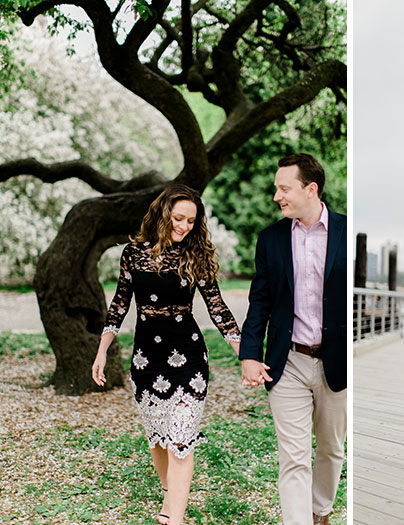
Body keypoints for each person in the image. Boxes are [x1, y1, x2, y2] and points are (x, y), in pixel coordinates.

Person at [91, 184, 241, 525]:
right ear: (163, 214)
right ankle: (169, 493)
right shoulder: (132, 254)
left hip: (188, 359)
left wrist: (242, 351)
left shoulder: (196, 255)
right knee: (157, 439)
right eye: (178, 218)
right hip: (146, 360)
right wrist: (101, 352)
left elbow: (217, 307)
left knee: (180, 442)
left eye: (191, 220)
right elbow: (119, 305)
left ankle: (175, 518)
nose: (184, 226)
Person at [239, 153, 346, 525]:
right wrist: (250, 353)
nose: (276, 197)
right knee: (294, 457)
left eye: (283, 188)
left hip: (339, 361)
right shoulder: (270, 239)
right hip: (288, 363)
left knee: (332, 450)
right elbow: (261, 299)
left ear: (310, 189)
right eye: (276, 189)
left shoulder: (347, 232)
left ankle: (320, 513)